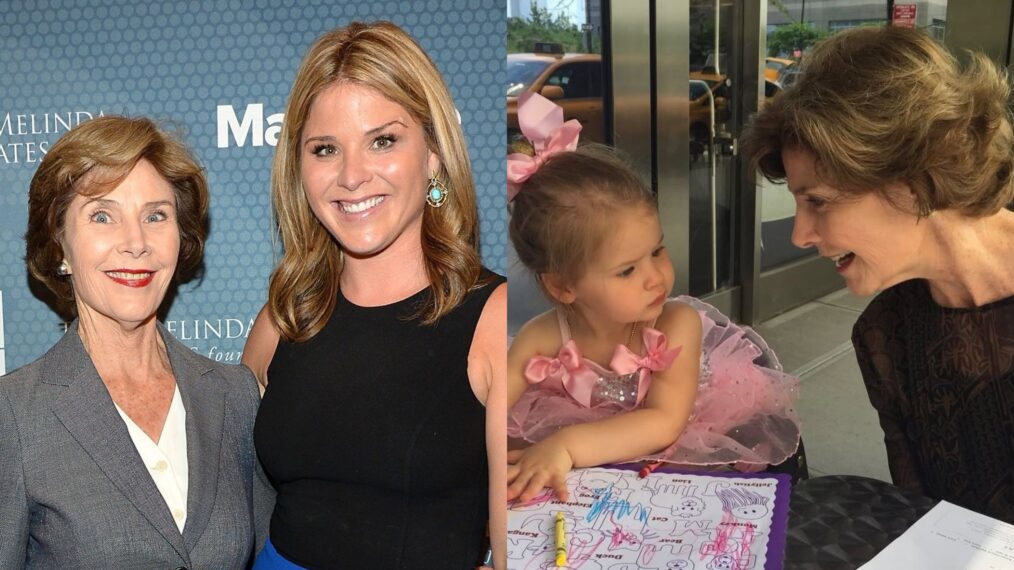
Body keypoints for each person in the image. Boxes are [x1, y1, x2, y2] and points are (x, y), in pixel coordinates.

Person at [241, 21, 507, 569]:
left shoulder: (495, 320)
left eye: (383, 140)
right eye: (325, 149)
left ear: (433, 154)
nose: (352, 175)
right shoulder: (284, 319)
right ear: (300, 168)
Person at [741, 26, 1014, 523]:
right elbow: (930, 523)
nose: (800, 235)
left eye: (818, 201)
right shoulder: (885, 335)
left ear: (913, 179)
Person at [0, 116, 271, 568]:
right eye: (102, 215)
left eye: (155, 215)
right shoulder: (14, 415)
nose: (136, 242)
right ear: (60, 243)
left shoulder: (234, 395)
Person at [505, 92, 801, 503]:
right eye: (628, 270)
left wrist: (566, 446)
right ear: (563, 286)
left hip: (669, 455)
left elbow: (664, 423)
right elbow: (486, 402)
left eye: (657, 251)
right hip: (590, 469)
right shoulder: (541, 338)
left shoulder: (674, 324)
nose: (655, 277)